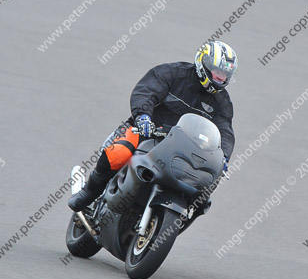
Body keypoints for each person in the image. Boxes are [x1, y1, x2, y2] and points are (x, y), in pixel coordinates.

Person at [68, 41, 238, 212]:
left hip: (184, 149)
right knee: (118, 154)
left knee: (204, 193)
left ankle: (177, 221)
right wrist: (143, 117)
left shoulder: (222, 102)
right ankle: (87, 194)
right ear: (203, 65)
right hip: (148, 132)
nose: (220, 79)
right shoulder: (173, 73)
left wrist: (223, 157)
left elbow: (225, 131)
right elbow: (146, 92)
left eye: (224, 75)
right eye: (217, 73)